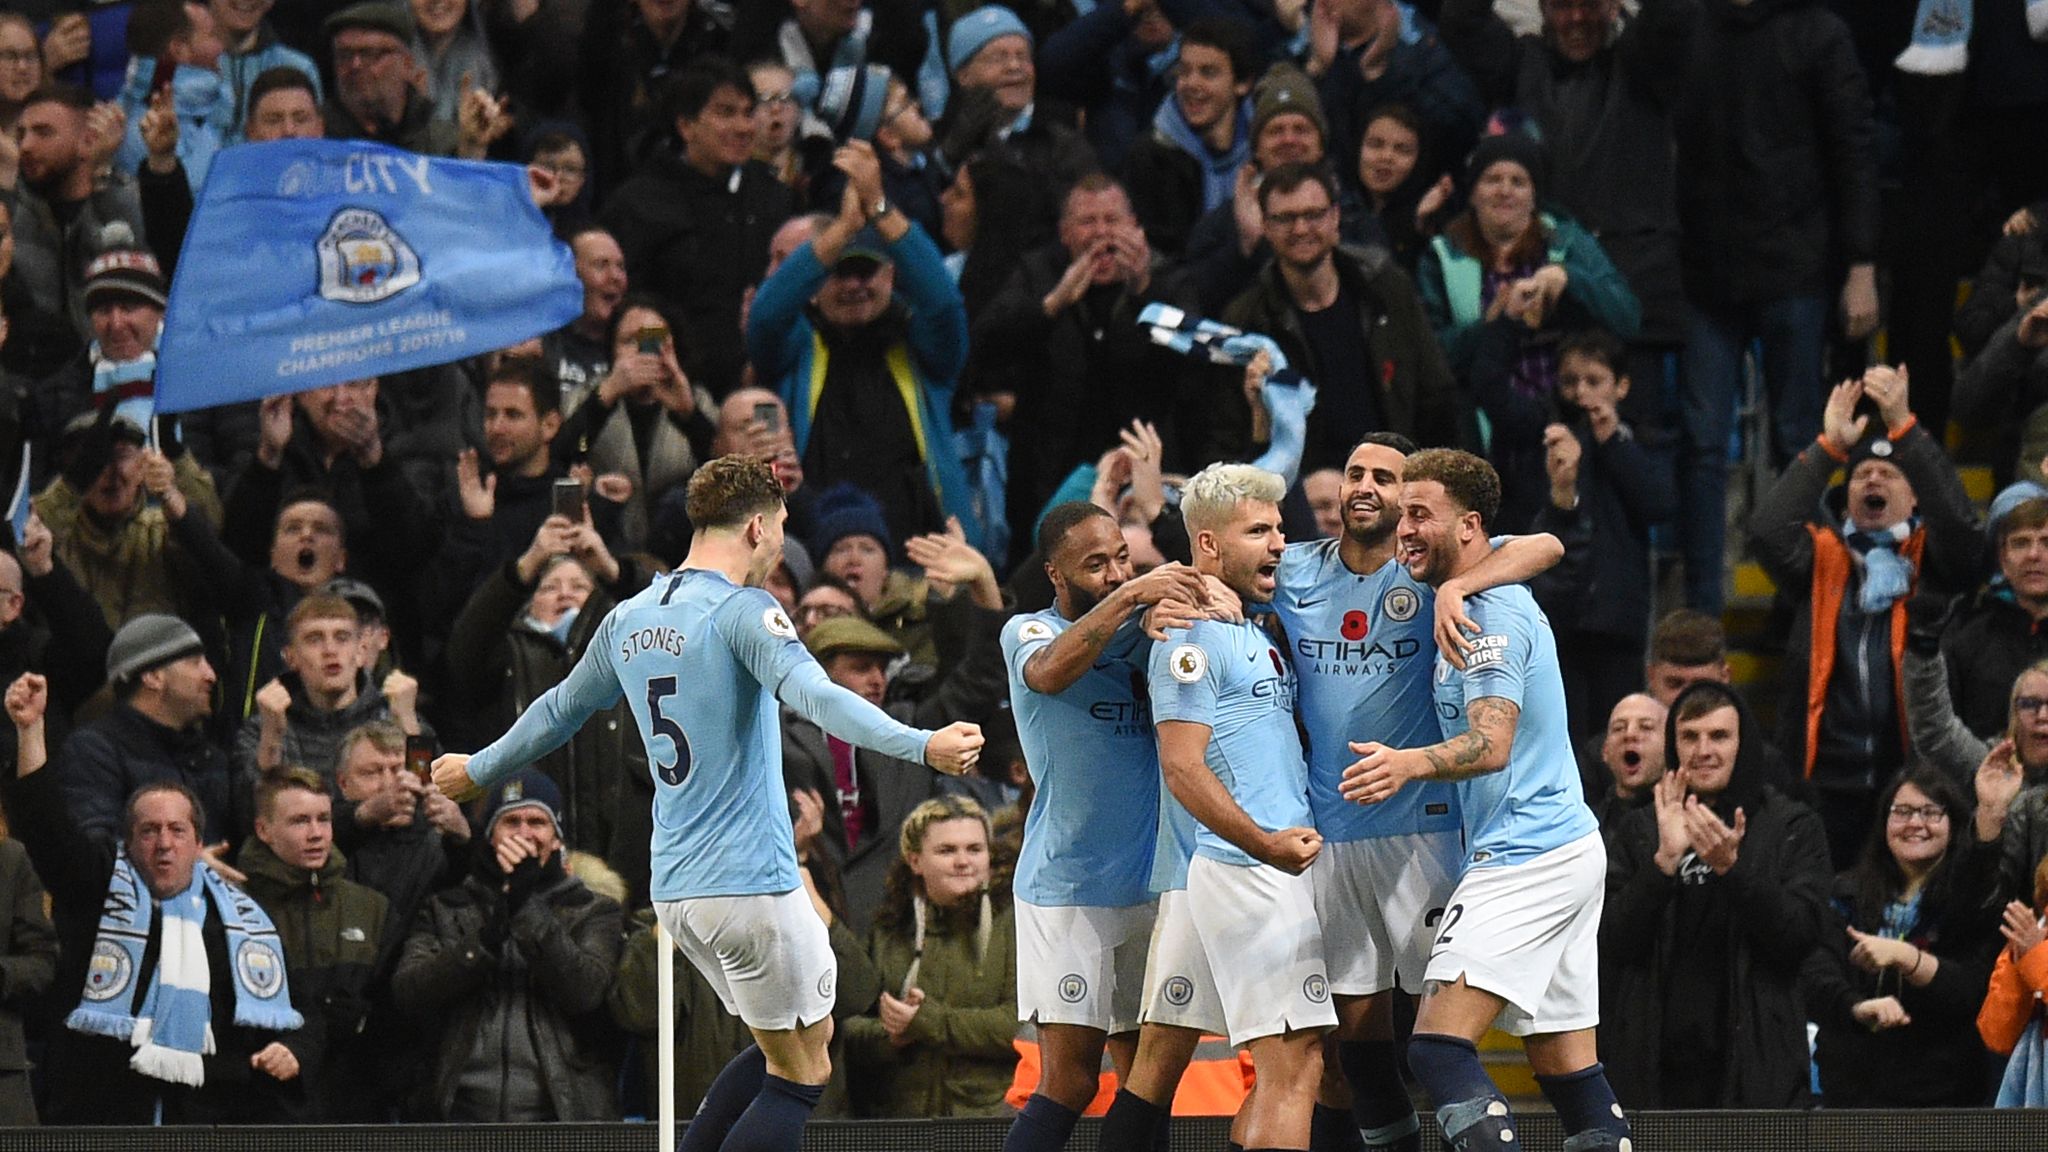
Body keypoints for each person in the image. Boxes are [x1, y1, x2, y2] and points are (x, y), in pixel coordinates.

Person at [432, 456, 982, 1152]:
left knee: (800, 1036)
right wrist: (922, 743)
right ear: (756, 525)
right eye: (780, 529)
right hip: (751, 881)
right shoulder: (743, 610)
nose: (781, 545)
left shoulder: (629, 616)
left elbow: (558, 709)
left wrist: (479, 768)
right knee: (802, 1069)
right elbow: (818, 699)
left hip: (682, 892)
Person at [1271, 434, 1560, 1152]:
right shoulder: (1297, 571)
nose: (1365, 485)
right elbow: (1221, 569)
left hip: (1426, 830)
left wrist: (1461, 585)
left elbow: (1548, 544)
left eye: (1385, 477)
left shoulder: (1430, 571)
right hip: (1331, 834)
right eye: (1354, 472)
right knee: (1356, 1049)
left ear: (1411, 504)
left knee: (1439, 1042)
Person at [1340, 448, 1625, 1152]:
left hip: (1527, 852)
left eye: (1418, 514)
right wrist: (1451, 586)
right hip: (1563, 844)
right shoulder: (1475, 586)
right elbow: (1545, 543)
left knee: (1438, 1049)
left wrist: (1407, 764)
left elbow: (1490, 743)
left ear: (1469, 527)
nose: (1404, 529)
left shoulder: (1489, 616)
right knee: (1565, 1064)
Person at [996, 500, 1209, 1152]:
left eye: (1122, 557)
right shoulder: (1027, 633)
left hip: (1149, 885)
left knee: (1149, 1083)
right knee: (1070, 1082)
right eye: (1096, 565)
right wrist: (1137, 593)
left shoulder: (1152, 632)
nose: (1116, 573)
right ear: (1056, 574)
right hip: (1068, 889)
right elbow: (1051, 673)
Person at [6, 670, 302, 1123]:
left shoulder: (242, 921)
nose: (164, 843)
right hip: (102, 1117)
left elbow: (290, 1009)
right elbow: (47, 831)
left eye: (177, 830)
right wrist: (30, 730)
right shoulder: (99, 889)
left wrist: (290, 1049)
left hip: (209, 1119)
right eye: (149, 830)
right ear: (127, 840)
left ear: (198, 842)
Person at [1670, 0, 1879, 614]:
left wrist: (1861, 263)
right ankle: (1703, 610)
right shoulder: (1688, 25)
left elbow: (1853, 148)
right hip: (1706, 272)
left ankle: (1808, 610)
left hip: (1796, 267)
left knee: (1800, 443)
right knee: (1702, 447)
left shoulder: (1819, 31)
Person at [1146, 462, 1332, 1152]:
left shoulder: (1247, 625)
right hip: (1251, 871)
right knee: (1295, 1063)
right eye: (1259, 530)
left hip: (1269, 868)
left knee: (1289, 1066)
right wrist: (1266, 846)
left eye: (1280, 527)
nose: (1280, 543)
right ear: (1208, 546)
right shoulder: (1189, 638)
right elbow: (1181, 765)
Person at [1746, 365, 1979, 868]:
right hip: (1822, 785)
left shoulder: (1930, 559)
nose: (1872, 477)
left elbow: (1964, 531)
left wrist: (1905, 430)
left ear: (1914, 495)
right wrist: (1829, 448)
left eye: (1889, 473)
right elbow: (1766, 532)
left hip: (1912, 783)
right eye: (1861, 474)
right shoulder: (1822, 558)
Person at [1599, 680, 1831, 1108]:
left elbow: (1799, 939)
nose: (1703, 750)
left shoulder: (1791, 826)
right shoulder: (1640, 828)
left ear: (1744, 744)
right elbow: (1612, 945)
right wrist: (1664, 863)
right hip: (1652, 1073)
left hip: (1758, 1072)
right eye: (1690, 737)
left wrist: (1733, 870)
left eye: (1719, 736)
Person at [749, 139, 975, 550]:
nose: (854, 285)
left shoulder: (923, 351)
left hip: (924, 557)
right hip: (818, 558)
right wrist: (844, 229)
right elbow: (764, 317)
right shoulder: (797, 349)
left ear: (890, 276)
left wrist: (881, 210)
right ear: (816, 284)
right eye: (840, 273)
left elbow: (944, 306)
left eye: (866, 273)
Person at [393, 769, 625, 1121]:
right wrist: (486, 940)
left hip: (560, 1113)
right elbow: (410, 990)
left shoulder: (593, 910)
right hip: (458, 1112)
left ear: (557, 838)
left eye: (537, 821)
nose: (524, 833)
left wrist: (523, 908)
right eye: (511, 821)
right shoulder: (446, 908)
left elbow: (585, 991)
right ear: (489, 835)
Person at [1219, 163, 1465, 473]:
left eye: (1313, 215)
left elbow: (1436, 397)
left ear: (1335, 216)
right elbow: (1227, 432)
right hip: (1300, 500)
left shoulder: (1386, 289)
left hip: (1397, 485)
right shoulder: (1247, 319)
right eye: (1285, 218)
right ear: (1265, 226)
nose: (1300, 229)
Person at [1803, 769, 2002, 1108]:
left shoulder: (1970, 901)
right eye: (1902, 812)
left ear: (1953, 824)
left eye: (1931, 812)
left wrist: (1907, 958)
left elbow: (1970, 990)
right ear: (1884, 822)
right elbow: (1815, 973)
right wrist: (1857, 1006)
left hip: (1942, 1096)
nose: (1915, 823)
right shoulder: (1845, 892)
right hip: (1850, 1093)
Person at [599, 55, 794, 398]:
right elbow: (633, 306)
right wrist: (659, 375)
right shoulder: (640, 205)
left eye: (748, 113)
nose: (743, 127)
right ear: (686, 126)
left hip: (767, 388)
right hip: (673, 394)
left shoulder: (776, 201)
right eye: (725, 113)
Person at [843, 794, 1018, 1117]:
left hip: (989, 1117)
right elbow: (847, 1027)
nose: (963, 861)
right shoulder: (888, 928)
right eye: (946, 850)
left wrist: (926, 1021)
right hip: (901, 1118)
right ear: (915, 861)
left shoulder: (1015, 923)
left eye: (975, 849)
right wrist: (890, 1037)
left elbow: (1018, 1026)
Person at [233, 766, 390, 1121]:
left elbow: (391, 1010)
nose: (317, 834)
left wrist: (364, 1021)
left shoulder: (368, 907)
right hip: (260, 1106)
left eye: (324, 819)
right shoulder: (236, 909)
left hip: (354, 1107)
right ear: (264, 830)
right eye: (300, 821)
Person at [234, 593, 424, 783]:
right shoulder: (262, 729)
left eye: (342, 638)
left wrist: (409, 728)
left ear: (360, 652)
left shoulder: (395, 715)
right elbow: (253, 807)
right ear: (290, 657)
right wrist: (272, 740)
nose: (330, 650)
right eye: (314, 639)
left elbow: (429, 798)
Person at [1122, 18, 1258, 259]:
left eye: (1208, 73)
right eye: (1184, 72)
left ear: (1242, 84)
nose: (1191, 84)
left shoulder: (1265, 148)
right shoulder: (1150, 157)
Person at [321, 1, 459, 155]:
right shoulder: (316, 135)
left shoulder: (441, 142)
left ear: (407, 64)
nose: (355, 64)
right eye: (344, 55)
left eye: (370, 54)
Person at [1979, 852, 2048, 1107]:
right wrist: (2018, 963)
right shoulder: (2035, 935)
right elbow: (1997, 1035)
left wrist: (2037, 957)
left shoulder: (2037, 946)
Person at [1585, 693, 1667, 836]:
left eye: (1646, 727)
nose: (1630, 734)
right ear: (1605, 751)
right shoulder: (1586, 828)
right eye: (1618, 728)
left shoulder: (1693, 823)